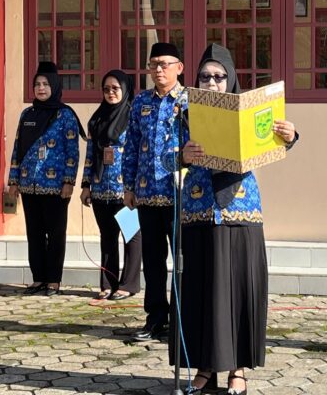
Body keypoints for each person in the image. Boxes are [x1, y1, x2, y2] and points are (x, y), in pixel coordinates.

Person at [174, 43, 298, 395]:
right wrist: (181, 157)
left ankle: (238, 370)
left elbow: (274, 142)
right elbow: (163, 160)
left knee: (239, 291)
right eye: (205, 77)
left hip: (241, 211)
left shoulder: (252, 111)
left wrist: (291, 137)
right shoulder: (183, 114)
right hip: (198, 211)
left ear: (231, 79)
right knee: (202, 292)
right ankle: (204, 368)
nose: (212, 83)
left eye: (219, 76)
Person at [123, 42, 188, 342]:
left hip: (180, 196)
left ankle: (182, 320)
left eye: (164, 64)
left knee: (182, 261)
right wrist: (128, 186)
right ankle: (156, 318)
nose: (158, 70)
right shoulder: (141, 102)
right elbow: (131, 146)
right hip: (147, 194)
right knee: (152, 261)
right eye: (153, 64)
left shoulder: (190, 101)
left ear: (179, 68)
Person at [8, 61, 85, 297]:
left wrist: (69, 181)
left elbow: (73, 151)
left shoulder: (65, 115)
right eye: (37, 84)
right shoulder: (27, 114)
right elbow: (17, 148)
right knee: (34, 235)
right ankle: (38, 278)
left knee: (56, 234)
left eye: (45, 84)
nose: (41, 88)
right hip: (28, 185)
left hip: (55, 187)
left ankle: (53, 280)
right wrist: (13, 180)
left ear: (54, 86)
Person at [80, 69, 143, 301]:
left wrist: (134, 187)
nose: (110, 93)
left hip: (125, 190)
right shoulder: (97, 119)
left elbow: (138, 154)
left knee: (131, 236)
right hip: (100, 188)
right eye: (106, 89)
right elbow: (90, 155)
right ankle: (108, 283)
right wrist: (86, 185)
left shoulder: (133, 117)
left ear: (125, 89)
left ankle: (128, 284)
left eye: (115, 88)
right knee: (107, 238)